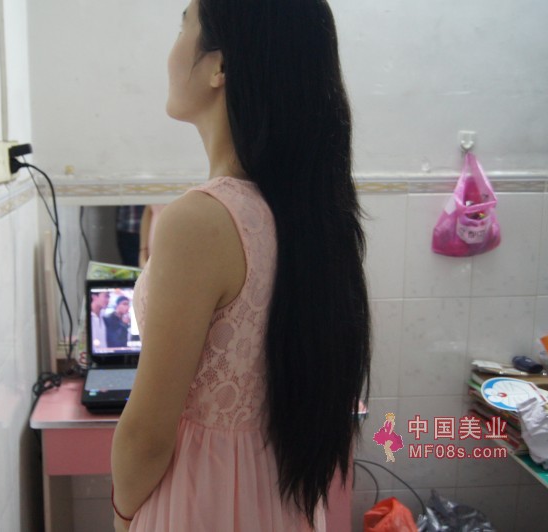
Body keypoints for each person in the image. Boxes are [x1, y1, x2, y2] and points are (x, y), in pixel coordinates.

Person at [111, 1, 370, 530]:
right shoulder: (313, 212)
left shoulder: (199, 221)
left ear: (220, 66)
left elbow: (147, 435)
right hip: (282, 498)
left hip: (197, 501)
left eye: (183, 25)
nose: (171, 51)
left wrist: (122, 513)